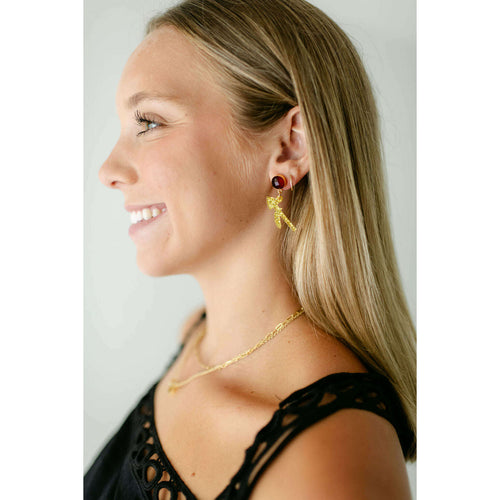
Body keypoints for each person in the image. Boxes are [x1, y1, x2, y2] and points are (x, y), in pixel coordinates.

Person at [85, 0, 416, 498]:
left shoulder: (328, 464)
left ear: (290, 147)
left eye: (149, 122)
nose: (109, 170)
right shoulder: (198, 338)